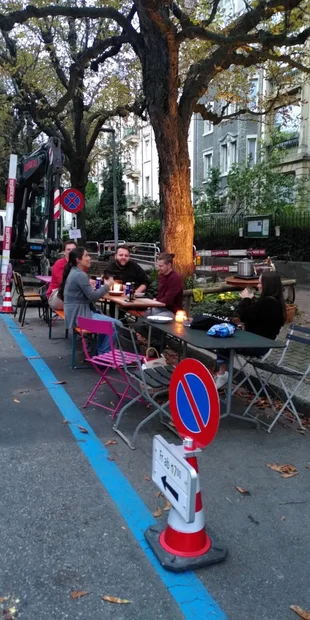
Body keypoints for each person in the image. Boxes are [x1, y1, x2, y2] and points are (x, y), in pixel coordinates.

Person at [215, 271, 286, 389]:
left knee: (224, 340)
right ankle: (223, 374)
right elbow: (256, 318)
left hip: (258, 346)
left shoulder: (268, 302)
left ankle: (223, 374)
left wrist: (246, 299)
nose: (258, 286)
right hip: (256, 341)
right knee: (226, 336)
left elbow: (245, 316)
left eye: (260, 283)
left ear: (267, 285)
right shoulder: (273, 302)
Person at [58, 247, 121, 355]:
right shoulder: (80, 274)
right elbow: (93, 297)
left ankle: (100, 354)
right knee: (117, 324)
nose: (89, 258)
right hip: (81, 317)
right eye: (86, 255)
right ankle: (103, 355)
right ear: (78, 260)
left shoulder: (74, 272)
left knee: (109, 324)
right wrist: (107, 285)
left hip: (75, 315)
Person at [46, 240, 77, 310]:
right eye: (68, 249)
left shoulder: (79, 264)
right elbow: (64, 284)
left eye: (73, 249)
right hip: (57, 294)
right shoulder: (59, 264)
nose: (71, 251)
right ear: (64, 252)